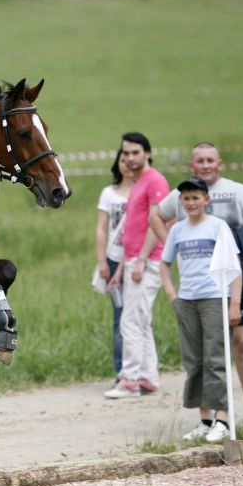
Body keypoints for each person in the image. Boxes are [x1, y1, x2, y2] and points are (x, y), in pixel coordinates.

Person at [149, 142, 243, 425]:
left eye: (210, 160)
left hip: (237, 277)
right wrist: (173, 245)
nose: (205, 165)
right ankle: (210, 418)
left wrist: (229, 244)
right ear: (192, 166)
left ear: (220, 164)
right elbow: (156, 215)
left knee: (242, 342)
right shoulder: (182, 195)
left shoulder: (237, 192)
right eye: (199, 161)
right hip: (199, 285)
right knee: (204, 353)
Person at [160, 177, 242, 443]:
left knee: (215, 359)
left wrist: (234, 303)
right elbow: (165, 263)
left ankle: (224, 420)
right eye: (186, 198)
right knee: (194, 361)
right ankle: (205, 420)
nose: (191, 203)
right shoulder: (177, 230)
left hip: (214, 298)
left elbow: (234, 268)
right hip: (187, 300)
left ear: (206, 200)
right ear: (180, 202)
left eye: (196, 198)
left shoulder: (219, 227)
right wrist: (172, 294)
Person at [104, 132, 169, 399]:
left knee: (129, 322)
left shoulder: (155, 181)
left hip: (147, 260)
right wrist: (121, 268)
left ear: (148, 153)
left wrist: (141, 259)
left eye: (135, 153)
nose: (130, 158)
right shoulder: (138, 182)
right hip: (132, 259)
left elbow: (157, 222)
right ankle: (148, 377)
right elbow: (131, 228)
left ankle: (129, 379)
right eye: (126, 153)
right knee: (141, 321)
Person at [94, 149, 133, 377]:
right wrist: (102, 262)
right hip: (113, 257)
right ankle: (122, 370)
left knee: (138, 316)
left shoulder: (142, 191)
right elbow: (101, 228)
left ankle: (140, 368)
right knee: (119, 316)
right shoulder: (109, 193)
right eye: (122, 159)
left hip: (137, 260)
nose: (127, 164)